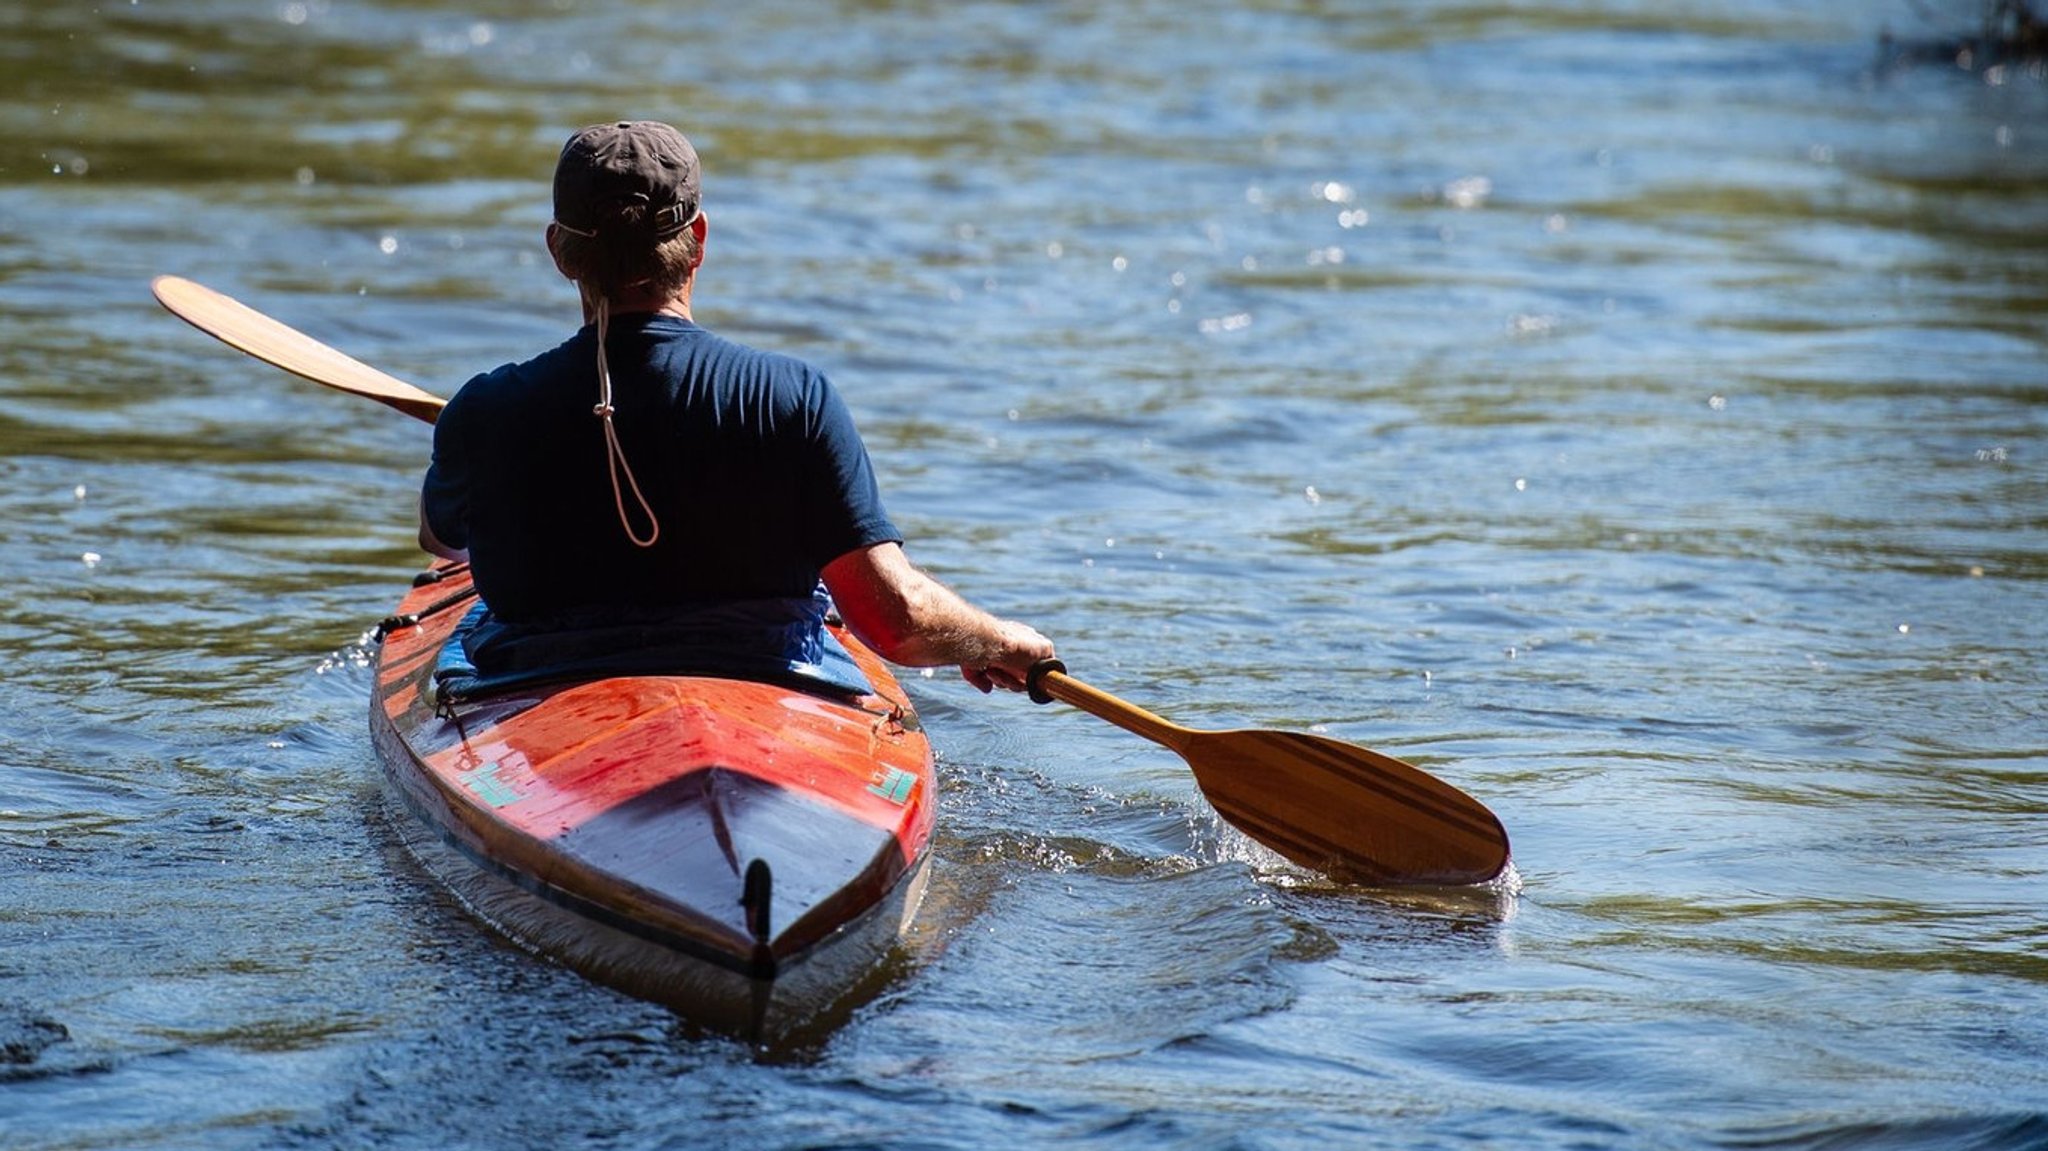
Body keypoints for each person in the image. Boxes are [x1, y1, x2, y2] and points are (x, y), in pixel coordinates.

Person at [418, 120, 1052, 693]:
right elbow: (895, 624)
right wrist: (996, 640)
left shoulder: (485, 408)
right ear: (697, 239)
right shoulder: (794, 398)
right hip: (767, 682)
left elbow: (441, 542)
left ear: (559, 251)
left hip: (543, 689)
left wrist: (474, 435)